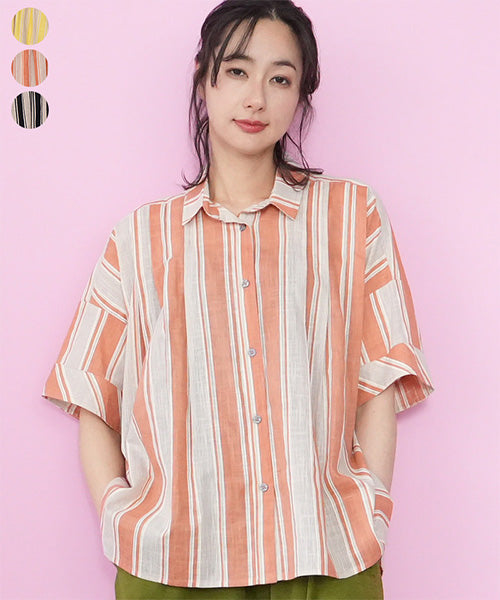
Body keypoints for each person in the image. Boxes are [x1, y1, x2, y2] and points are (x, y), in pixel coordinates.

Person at [42, 1, 435, 598]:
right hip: (176, 564)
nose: (256, 98)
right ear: (204, 79)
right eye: (237, 71)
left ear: (300, 96)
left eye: (281, 79)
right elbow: (91, 390)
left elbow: (380, 375)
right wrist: (119, 514)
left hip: (325, 552)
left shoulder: (352, 216)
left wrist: (373, 507)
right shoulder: (140, 238)